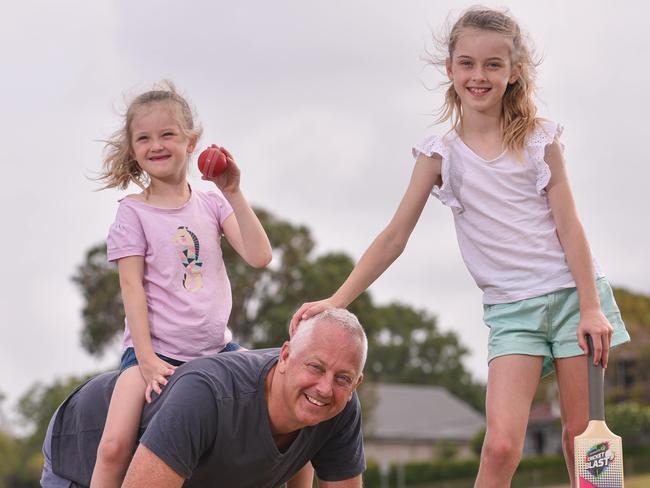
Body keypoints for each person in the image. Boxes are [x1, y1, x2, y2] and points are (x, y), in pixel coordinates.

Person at [290, 7, 630, 487]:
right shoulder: (439, 153)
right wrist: (336, 300)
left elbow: (570, 227)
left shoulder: (540, 140)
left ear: (514, 73)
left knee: (582, 436)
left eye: (493, 64)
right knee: (500, 446)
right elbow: (394, 237)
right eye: (467, 63)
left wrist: (592, 307)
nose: (479, 75)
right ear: (449, 69)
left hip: (576, 298)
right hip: (512, 313)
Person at [92, 81, 273, 486]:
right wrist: (147, 359)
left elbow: (260, 257)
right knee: (113, 447)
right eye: (144, 138)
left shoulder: (211, 202)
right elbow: (132, 291)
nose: (156, 145)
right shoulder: (132, 214)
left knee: (278, 398)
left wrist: (235, 192)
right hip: (151, 355)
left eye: (167, 134)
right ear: (133, 149)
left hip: (216, 349)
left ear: (191, 142)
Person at [41, 309, 367, 488]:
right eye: (315, 367)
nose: (325, 388)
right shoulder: (210, 395)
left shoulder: (339, 410)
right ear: (285, 356)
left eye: (342, 378)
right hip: (84, 445)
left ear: (356, 382)